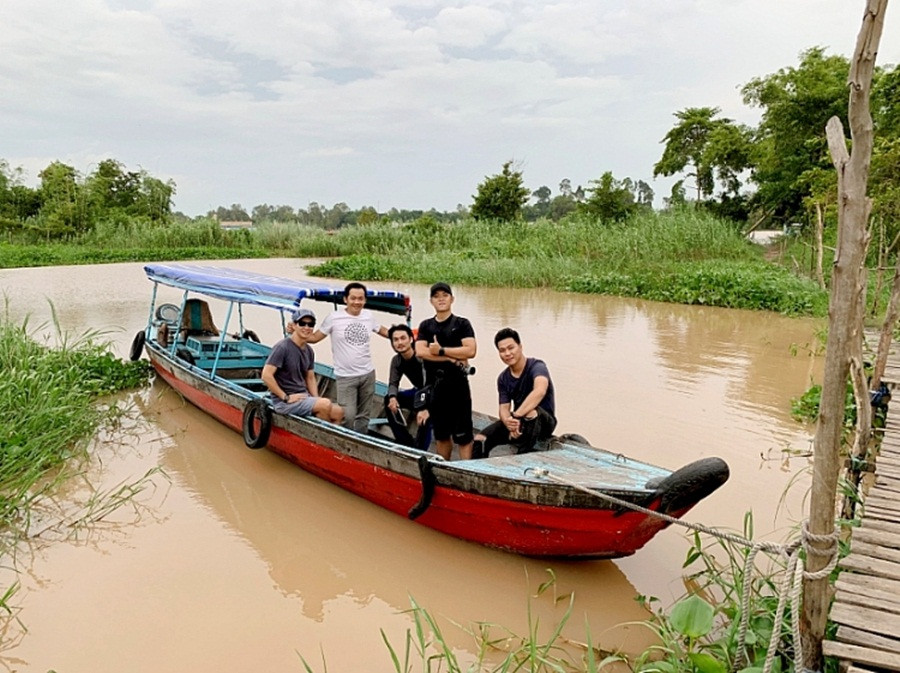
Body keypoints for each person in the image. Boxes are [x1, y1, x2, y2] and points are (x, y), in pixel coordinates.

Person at [308, 282, 388, 433]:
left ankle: (360, 442)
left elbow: (383, 331)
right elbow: (314, 338)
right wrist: (296, 331)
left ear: (365, 300)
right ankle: (343, 444)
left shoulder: (368, 316)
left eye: (361, 299)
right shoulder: (334, 318)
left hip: (367, 374)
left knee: (364, 416)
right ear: (346, 299)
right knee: (348, 416)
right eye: (353, 298)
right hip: (346, 377)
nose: (357, 302)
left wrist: (404, 336)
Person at [473, 327, 557, 458]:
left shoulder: (537, 366)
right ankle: (475, 470)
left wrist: (516, 416)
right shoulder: (503, 378)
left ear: (520, 347)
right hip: (520, 421)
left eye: (511, 348)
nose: (507, 353)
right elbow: (503, 409)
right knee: (480, 438)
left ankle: (522, 457)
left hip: (544, 422)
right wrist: (509, 423)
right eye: (502, 350)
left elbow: (539, 391)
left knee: (531, 412)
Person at [415, 282, 477, 460]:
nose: (441, 299)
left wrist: (441, 351)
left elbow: (471, 351)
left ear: (452, 299)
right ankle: (444, 468)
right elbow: (421, 352)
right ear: (431, 301)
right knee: (442, 435)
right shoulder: (426, 326)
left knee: (464, 436)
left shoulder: (462, 323)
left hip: (458, 386)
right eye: (436, 296)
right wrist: (452, 357)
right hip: (436, 388)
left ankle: (466, 471)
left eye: (445, 295)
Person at [262, 308, 343, 423]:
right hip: (284, 402)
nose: (306, 327)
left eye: (310, 325)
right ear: (294, 325)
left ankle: (327, 438)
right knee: (325, 404)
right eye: (302, 323)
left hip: (303, 397)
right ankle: (320, 436)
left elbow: (310, 377)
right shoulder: (282, 347)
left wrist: (316, 398)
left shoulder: (309, 351)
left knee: (338, 412)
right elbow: (266, 375)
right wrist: (285, 397)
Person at [384, 324, 432, 450]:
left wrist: (426, 407)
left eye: (403, 338)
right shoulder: (397, 360)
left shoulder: (421, 357)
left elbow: (433, 384)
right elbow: (393, 383)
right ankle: (404, 441)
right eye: (395, 340)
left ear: (411, 339)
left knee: (426, 416)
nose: (400, 343)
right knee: (388, 399)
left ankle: (420, 450)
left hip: (435, 394)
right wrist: (393, 397)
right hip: (418, 392)